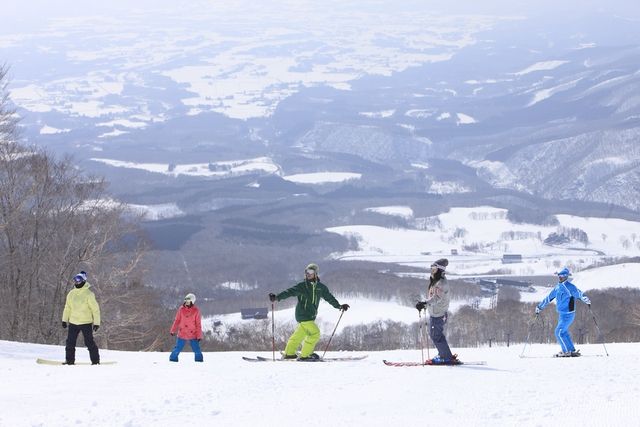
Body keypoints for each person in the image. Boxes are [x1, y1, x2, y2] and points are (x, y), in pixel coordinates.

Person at [269, 263, 350, 361]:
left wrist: (339, 306)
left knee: (299, 335)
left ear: (316, 273)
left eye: (310, 272)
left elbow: (329, 297)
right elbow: (289, 292)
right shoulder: (302, 286)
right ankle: (305, 355)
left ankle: (289, 353)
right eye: (306, 272)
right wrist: (277, 297)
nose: (308, 274)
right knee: (315, 333)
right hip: (303, 315)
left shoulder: (321, 287)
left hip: (310, 316)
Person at [535, 267, 591, 357]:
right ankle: (571, 350)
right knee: (563, 332)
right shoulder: (557, 287)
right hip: (561, 314)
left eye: (562, 275)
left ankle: (566, 352)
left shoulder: (570, 287)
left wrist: (585, 298)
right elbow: (548, 298)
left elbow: (579, 293)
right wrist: (539, 307)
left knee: (559, 332)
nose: (560, 277)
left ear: (566, 276)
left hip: (569, 314)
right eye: (559, 275)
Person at [416, 258, 459, 365]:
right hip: (436, 312)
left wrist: (425, 303)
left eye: (434, 269)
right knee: (437, 335)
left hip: (438, 314)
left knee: (436, 335)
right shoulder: (436, 281)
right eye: (431, 269)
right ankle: (445, 354)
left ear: (440, 270)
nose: (432, 271)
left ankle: (445, 357)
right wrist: (426, 304)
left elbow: (436, 298)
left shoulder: (441, 283)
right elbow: (433, 296)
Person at [62, 271, 101, 365]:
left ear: (83, 281)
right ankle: (69, 361)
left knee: (89, 342)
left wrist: (96, 323)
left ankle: (95, 361)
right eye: (75, 280)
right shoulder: (71, 294)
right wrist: (64, 320)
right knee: (70, 343)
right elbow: (67, 307)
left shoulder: (89, 294)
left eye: (79, 280)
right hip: (73, 322)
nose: (77, 282)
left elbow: (95, 310)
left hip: (86, 322)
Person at [169, 293, 203, 362]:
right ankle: (172, 360)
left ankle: (199, 361)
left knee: (196, 349)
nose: (186, 302)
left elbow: (198, 324)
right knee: (177, 348)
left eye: (188, 301)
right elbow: (177, 320)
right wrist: (173, 330)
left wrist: (199, 336)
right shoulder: (181, 309)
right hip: (182, 333)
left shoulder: (196, 311)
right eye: (186, 301)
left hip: (193, 334)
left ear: (192, 301)